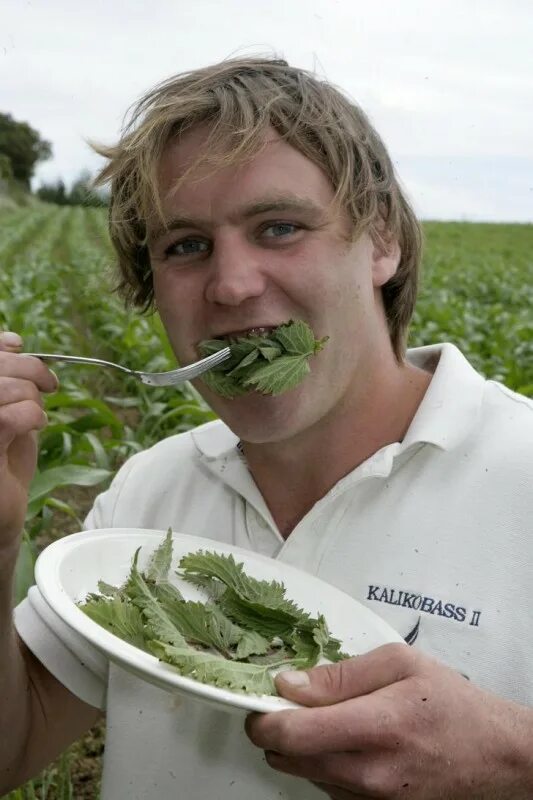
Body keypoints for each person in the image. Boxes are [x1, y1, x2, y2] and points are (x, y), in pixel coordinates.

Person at [1, 57, 533, 800]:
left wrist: (514, 762)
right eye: (185, 246)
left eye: (279, 228)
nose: (231, 284)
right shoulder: (147, 497)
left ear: (381, 241)